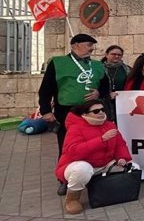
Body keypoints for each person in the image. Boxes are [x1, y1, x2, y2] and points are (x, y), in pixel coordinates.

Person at [38, 33, 109, 196]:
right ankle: (64, 179)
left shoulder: (97, 65)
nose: (92, 48)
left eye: (92, 45)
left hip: (93, 112)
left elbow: (106, 87)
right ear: (75, 45)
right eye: (88, 44)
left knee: (94, 144)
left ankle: (91, 176)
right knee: (67, 146)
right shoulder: (58, 63)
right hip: (67, 112)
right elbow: (46, 88)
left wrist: (99, 92)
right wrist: (45, 111)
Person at [54, 100, 133, 214]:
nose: (101, 112)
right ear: (85, 114)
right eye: (96, 111)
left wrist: (122, 158)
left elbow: (120, 144)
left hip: (104, 164)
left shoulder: (110, 125)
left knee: (133, 166)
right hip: (77, 164)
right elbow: (75, 152)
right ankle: (72, 199)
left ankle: (110, 190)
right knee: (82, 170)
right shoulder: (75, 128)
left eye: (102, 110)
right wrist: (101, 140)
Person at [101, 45, 130, 120]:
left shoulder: (128, 69)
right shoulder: (98, 68)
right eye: (113, 54)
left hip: (122, 104)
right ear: (106, 55)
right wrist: (107, 94)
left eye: (119, 55)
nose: (117, 56)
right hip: (104, 103)